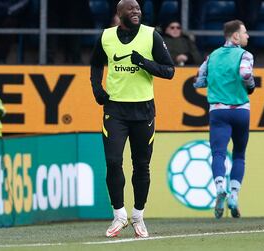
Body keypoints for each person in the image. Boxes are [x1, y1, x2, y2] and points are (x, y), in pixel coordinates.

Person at [90, 0, 174, 238]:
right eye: (131, 9)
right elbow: (96, 62)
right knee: (113, 161)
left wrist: (145, 63)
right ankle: (119, 215)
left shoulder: (151, 36)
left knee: (141, 165)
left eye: (138, 9)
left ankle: (138, 215)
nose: (136, 12)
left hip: (144, 111)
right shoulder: (106, 36)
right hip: (115, 109)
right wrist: (96, 87)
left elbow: (169, 71)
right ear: (119, 14)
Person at [193, 20, 255, 219]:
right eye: (244, 33)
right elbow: (245, 73)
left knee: (218, 153)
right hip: (240, 111)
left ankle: (220, 187)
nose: (248, 36)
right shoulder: (245, 55)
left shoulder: (212, 57)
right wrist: (250, 86)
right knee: (239, 154)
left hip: (218, 111)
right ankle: (234, 195)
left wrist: (214, 82)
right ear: (235, 36)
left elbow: (198, 81)